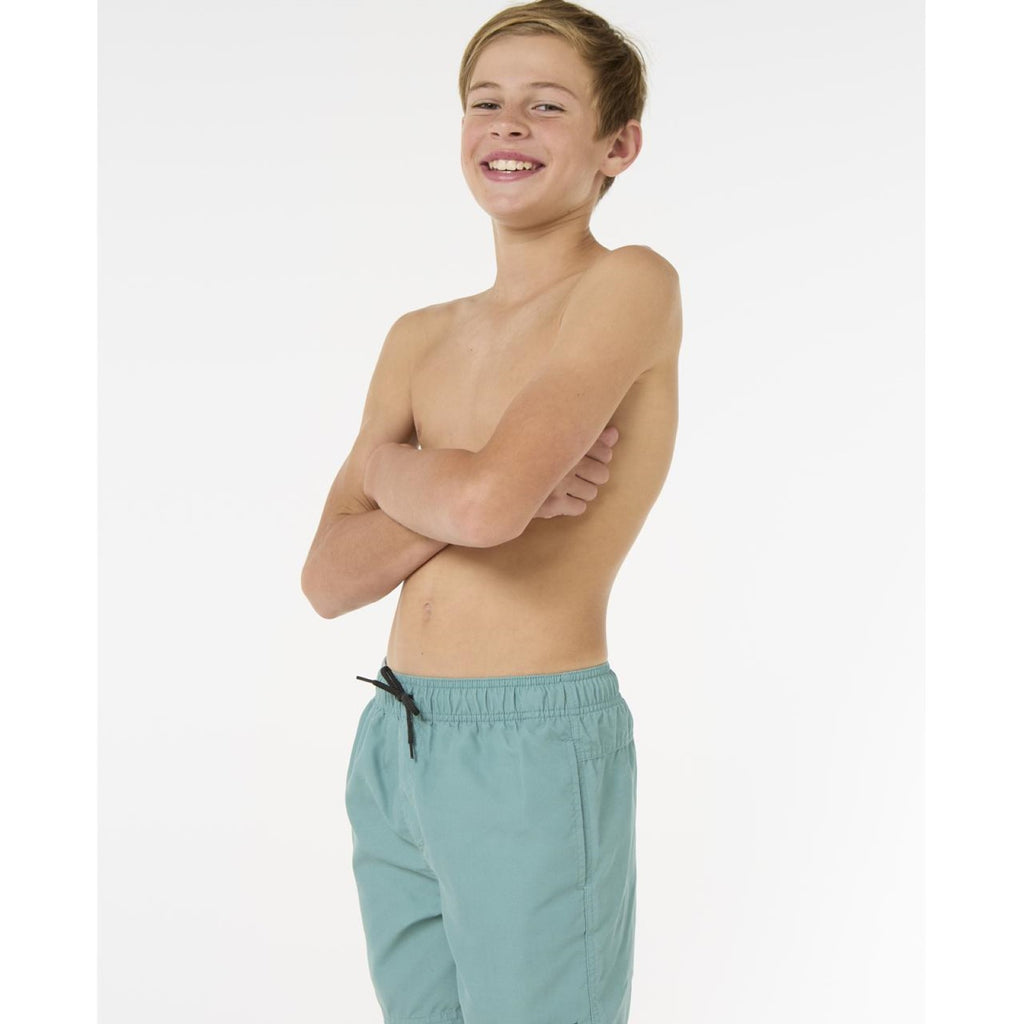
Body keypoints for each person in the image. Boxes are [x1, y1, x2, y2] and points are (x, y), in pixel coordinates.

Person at [301, 2, 681, 1021]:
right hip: (395, 737)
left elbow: (485, 501)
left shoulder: (628, 284)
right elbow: (327, 579)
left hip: (531, 743)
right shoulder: (417, 337)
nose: (508, 123)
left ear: (617, 146)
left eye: (546, 105)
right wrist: (459, 492)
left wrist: (403, 473)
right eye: (486, 102)